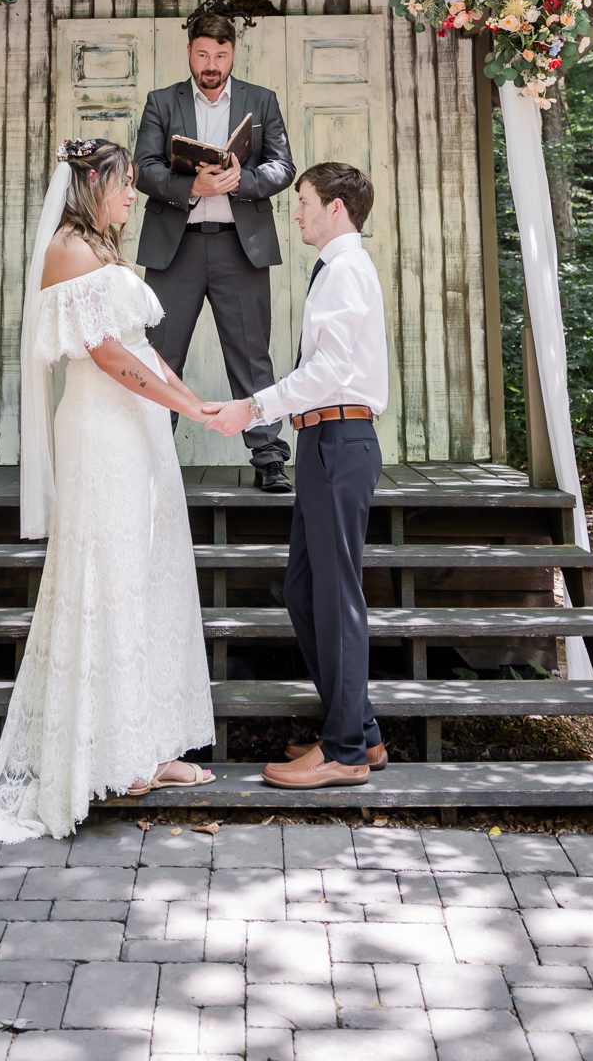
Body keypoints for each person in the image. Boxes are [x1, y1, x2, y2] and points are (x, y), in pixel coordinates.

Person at [0, 139, 216, 844]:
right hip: (101, 429)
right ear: (94, 185)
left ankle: (148, 747)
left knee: (143, 575)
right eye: (126, 186)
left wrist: (189, 400)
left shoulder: (104, 250)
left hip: (139, 426)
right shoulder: (70, 252)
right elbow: (106, 355)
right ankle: (114, 754)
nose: (133, 196)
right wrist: (184, 408)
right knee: (107, 574)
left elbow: (140, 345)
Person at [205, 162, 388, 787]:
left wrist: (253, 407)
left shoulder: (344, 272)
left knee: (336, 599)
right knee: (304, 590)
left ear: (336, 208)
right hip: (322, 442)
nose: (297, 211)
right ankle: (359, 732)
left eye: (304, 200)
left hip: (339, 439)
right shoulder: (336, 271)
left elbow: (328, 371)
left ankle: (342, 753)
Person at [135, 11, 296, 490]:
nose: (212, 64)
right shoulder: (161, 102)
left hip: (239, 248)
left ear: (233, 54)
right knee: (160, 356)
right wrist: (193, 185)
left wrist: (239, 181)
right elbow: (142, 168)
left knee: (251, 355)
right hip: (175, 248)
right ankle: (150, 456)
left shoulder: (261, 101)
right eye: (203, 54)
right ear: (189, 52)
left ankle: (269, 459)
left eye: (221, 55)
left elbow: (283, 167)